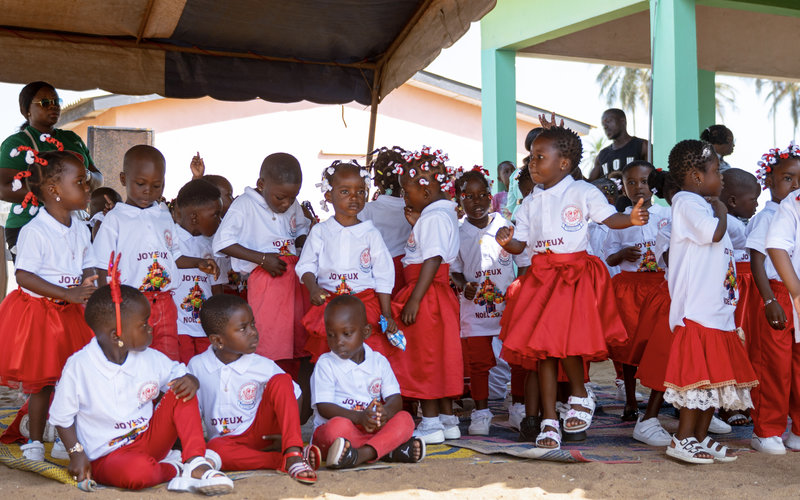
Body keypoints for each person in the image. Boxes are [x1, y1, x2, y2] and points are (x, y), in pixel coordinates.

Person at [495, 126, 648, 449]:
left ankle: (579, 395)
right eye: (531, 157)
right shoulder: (529, 202)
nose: (532, 163)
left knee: (567, 345)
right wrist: (508, 243)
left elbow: (609, 218)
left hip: (573, 276)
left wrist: (631, 219)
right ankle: (549, 421)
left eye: (540, 157)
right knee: (545, 353)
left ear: (564, 163)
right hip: (541, 278)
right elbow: (521, 242)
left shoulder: (581, 191)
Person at [48, 285, 233, 493]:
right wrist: (77, 454)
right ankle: (176, 468)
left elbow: (179, 373)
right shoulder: (79, 366)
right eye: (143, 324)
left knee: (183, 387)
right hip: (108, 456)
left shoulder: (149, 357)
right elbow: (62, 418)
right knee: (138, 473)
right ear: (116, 336)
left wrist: (191, 380)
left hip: (150, 440)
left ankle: (195, 461)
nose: (151, 327)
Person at [662, 139, 757, 464]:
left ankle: (700, 437)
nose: (722, 177)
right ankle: (682, 438)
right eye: (717, 171)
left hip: (718, 311)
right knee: (697, 382)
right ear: (696, 177)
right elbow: (713, 234)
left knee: (714, 381)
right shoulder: (687, 203)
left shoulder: (703, 205)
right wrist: (722, 210)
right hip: (697, 311)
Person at [0, 149, 97, 461]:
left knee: (72, 378)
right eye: (80, 182)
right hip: (40, 314)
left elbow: (88, 262)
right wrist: (67, 294)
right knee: (41, 383)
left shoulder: (80, 227)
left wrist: (88, 282)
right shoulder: (35, 231)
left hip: (72, 315)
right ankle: (34, 441)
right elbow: (24, 275)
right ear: (55, 190)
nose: (87, 187)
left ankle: (64, 438)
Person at [94, 145, 219, 362]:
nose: (148, 191)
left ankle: (166, 386)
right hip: (131, 303)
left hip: (165, 302)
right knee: (134, 359)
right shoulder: (115, 219)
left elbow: (174, 257)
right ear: (123, 179)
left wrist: (198, 262)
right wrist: (109, 308)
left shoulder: (163, 216)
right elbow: (102, 265)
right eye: (140, 184)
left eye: (156, 186)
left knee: (167, 359)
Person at [212, 152, 311, 422]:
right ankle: (263, 410)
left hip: (294, 281)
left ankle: (292, 409)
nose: (287, 203)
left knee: (297, 347)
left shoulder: (291, 203)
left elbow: (301, 228)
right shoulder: (244, 205)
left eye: (292, 197)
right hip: (267, 279)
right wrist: (262, 259)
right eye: (280, 198)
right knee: (268, 345)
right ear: (261, 184)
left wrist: (303, 244)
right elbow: (222, 242)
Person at [188, 295, 318, 484]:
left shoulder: (262, 365)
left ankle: (293, 452)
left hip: (262, 434)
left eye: (253, 325)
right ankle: (282, 461)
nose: (253, 332)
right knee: (214, 449)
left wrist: (286, 435)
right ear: (217, 340)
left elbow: (295, 395)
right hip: (227, 443)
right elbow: (193, 411)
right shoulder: (197, 366)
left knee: (282, 380)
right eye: (243, 328)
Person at [389, 146, 462, 444]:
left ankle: (430, 424)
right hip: (438, 293)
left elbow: (432, 259)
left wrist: (415, 299)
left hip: (426, 292)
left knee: (424, 357)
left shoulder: (433, 218)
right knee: (439, 355)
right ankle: (447, 419)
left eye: (407, 192)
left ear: (427, 190)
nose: (404, 199)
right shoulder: (442, 213)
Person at [296, 160, 397, 361]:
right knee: (330, 357)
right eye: (344, 192)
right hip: (330, 304)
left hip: (364, 305)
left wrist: (386, 313)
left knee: (365, 358)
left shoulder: (371, 233)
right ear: (328, 195)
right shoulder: (320, 232)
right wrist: (313, 288)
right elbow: (306, 265)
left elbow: (384, 274)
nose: (354, 197)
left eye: (360, 192)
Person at [450, 167, 524, 436]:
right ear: (459, 200)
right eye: (468, 196)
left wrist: (519, 290)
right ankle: (481, 412)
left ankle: (518, 406)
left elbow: (522, 261)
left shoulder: (505, 226)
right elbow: (455, 269)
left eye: (482, 195)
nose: (477, 201)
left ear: (490, 196)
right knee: (479, 362)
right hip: (475, 308)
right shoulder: (457, 232)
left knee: (517, 359)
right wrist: (463, 285)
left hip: (508, 306)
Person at [311, 295, 424, 468]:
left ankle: (360, 455)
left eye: (347, 334)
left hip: (372, 428)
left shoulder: (378, 361)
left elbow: (395, 399)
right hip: (342, 432)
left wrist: (385, 413)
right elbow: (324, 407)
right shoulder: (325, 363)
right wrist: (359, 417)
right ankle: (387, 450)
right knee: (336, 428)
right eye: (331, 335)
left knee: (405, 419)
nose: (338, 342)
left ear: (366, 332)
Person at [0, 82, 103, 259]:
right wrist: (54, 194)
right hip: (29, 223)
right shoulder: (17, 143)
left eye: (56, 101)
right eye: (45, 102)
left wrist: (84, 175)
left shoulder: (72, 139)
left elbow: (98, 178)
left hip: (75, 222)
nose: (54, 106)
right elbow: (3, 188)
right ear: (26, 110)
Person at [605, 160, 671, 422]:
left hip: (661, 287)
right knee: (629, 346)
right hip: (630, 290)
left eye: (644, 181)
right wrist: (622, 253)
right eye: (630, 182)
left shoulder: (667, 214)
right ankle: (631, 400)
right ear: (623, 187)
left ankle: (664, 396)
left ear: (653, 184)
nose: (638, 187)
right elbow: (610, 257)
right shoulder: (620, 220)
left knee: (660, 344)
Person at [747, 144, 800, 454]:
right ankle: (766, 430)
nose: (795, 185)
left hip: (794, 292)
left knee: (797, 367)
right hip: (777, 294)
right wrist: (769, 300)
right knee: (773, 366)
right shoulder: (769, 216)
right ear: (769, 181)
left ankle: (797, 431)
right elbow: (758, 260)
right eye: (788, 178)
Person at [172, 179, 228, 363]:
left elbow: (217, 288)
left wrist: (218, 325)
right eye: (216, 215)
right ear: (195, 218)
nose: (220, 221)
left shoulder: (213, 245)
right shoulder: (169, 239)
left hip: (205, 329)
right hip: (178, 329)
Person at [359, 146, 412, 297]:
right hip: (407, 272)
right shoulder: (413, 210)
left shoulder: (366, 210)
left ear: (376, 181)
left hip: (377, 274)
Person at [588, 108, 649, 182]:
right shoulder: (601, 156)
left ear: (622, 121)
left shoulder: (642, 146)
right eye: (603, 124)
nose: (605, 127)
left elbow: (653, 177)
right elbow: (589, 184)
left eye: (609, 121)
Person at [505, 128, 542, 219]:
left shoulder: (516, 173)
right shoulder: (547, 171)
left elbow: (510, 205)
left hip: (517, 215)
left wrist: (507, 221)